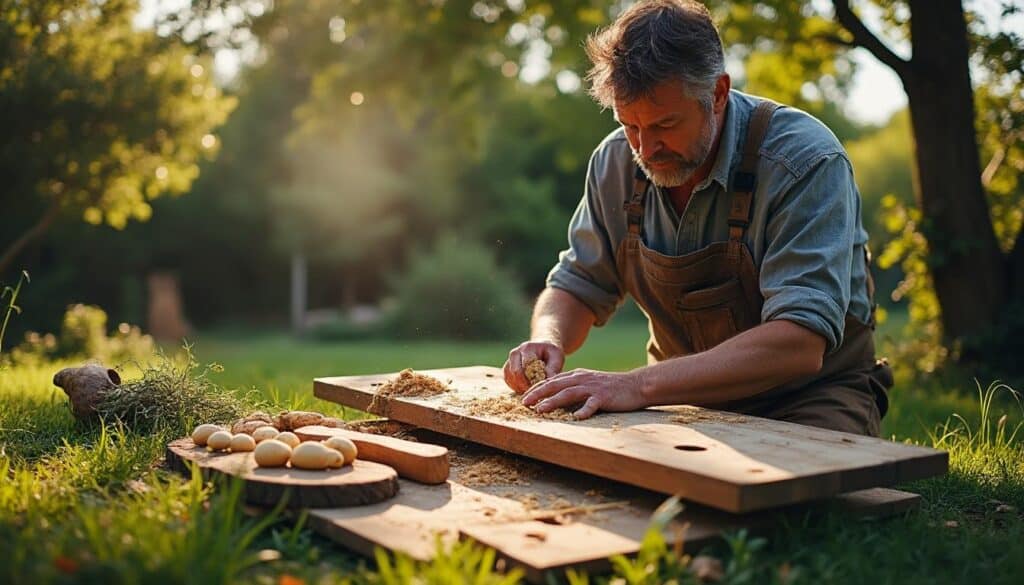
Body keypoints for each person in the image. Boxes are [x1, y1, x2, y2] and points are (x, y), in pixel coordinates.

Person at [502, 0, 892, 437]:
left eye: (666, 124)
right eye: (630, 125)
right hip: (677, 402)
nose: (645, 149)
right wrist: (548, 339)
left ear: (718, 94)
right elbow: (577, 284)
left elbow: (798, 343)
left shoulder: (803, 161)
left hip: (809, 397)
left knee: (783, 500)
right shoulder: (615, 161)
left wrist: (636, 385)